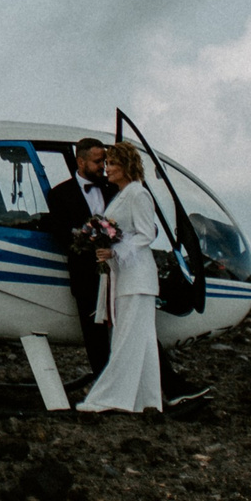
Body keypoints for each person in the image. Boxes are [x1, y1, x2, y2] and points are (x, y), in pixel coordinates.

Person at [77, 141, 165, 414]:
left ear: (126, 166)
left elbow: (146, 233)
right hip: (126, 278)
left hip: (136, 278)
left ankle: (108, 398)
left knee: (126, 338)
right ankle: (147, 401)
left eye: (112, 164)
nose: (107, 170)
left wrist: (114, 252)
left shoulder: (138, 194)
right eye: (106, 164)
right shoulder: (124, 194)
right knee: (144, 341)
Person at [42, 138, 114, 379]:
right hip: (86, 275)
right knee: (94, 335)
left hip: (118, 270)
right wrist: (91, 242)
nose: (102, 166)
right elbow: (64, 236)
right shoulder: (59, 195)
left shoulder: (114, 188)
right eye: (97, 161)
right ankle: (104, 381)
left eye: (104, 161)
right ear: (80, 161)